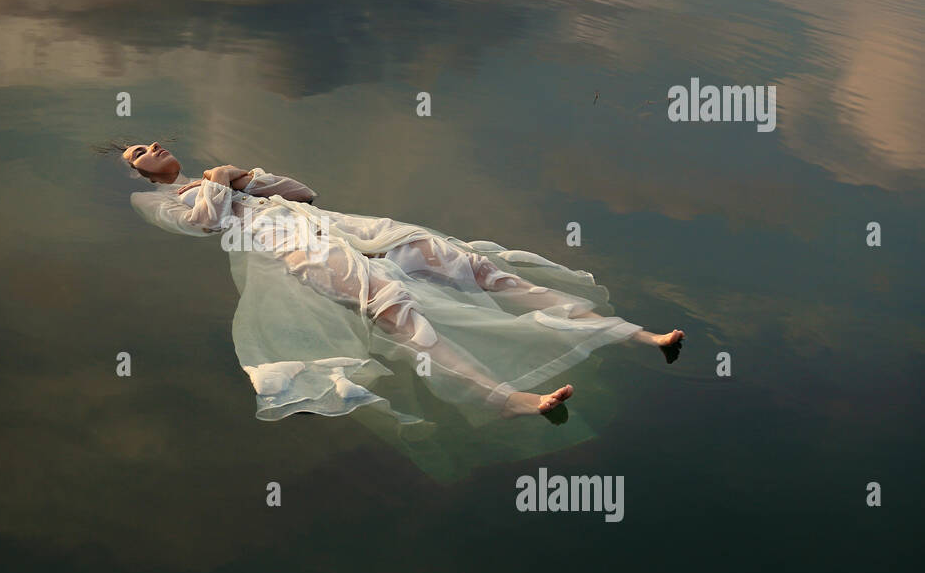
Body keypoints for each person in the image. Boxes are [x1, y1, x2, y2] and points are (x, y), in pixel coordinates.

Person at [117, 140, 684, 424]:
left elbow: (304, 194)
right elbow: (202, 223)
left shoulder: (219, 174)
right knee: (397, 312)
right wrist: (218, 187)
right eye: (140, 153)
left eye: (151, 141)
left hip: (340, 226)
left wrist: (240, 175)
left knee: (473, 267)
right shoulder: (157, 200)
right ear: (138, 173)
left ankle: (631, 332)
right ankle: (509, 399)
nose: (152, 149)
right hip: (292, 249)